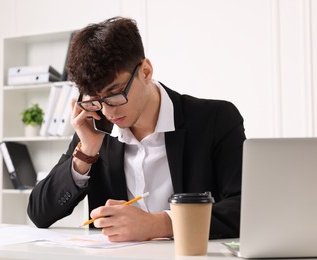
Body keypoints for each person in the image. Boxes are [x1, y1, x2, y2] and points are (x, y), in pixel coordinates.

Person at [27, 16, 246, 242]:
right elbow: (38, 213)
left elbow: (245, 207)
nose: (108, 112)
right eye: (96, 100)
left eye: (115, 94)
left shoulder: (216, 119)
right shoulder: (95, 129)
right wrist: (86, 154)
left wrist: (159, 224)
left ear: (146, 71)